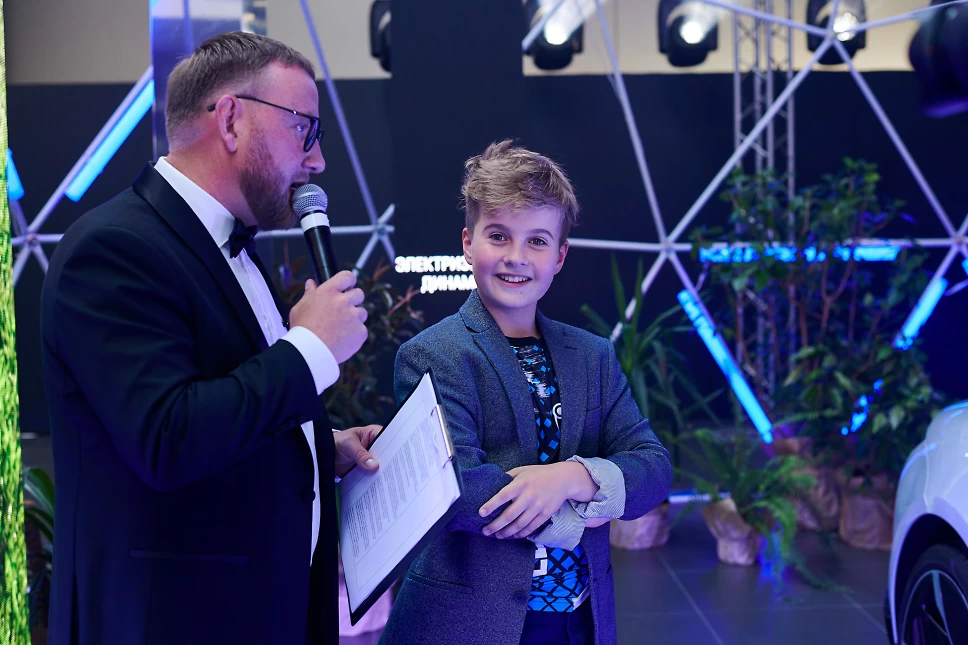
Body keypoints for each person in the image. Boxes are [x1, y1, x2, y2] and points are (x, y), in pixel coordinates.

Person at [39, 31, 379, 645]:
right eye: (305, 128)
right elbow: (167, 438)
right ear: (230, 120)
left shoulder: (229, 246)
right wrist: (309, 349)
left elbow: (224, 415)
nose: (318, 161)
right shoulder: (113, 249)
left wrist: (311, 449)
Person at [379, 140, 673, 645]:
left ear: (559, 255)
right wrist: (597, 498)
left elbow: (654, 466)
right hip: (470, 624)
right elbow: (460, 494)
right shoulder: (433, 355)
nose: (516, 257)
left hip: (580, 620)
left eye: (537, 241)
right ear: (468, 243)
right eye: (498, 236)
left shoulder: (593, 355)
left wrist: (571, 477)